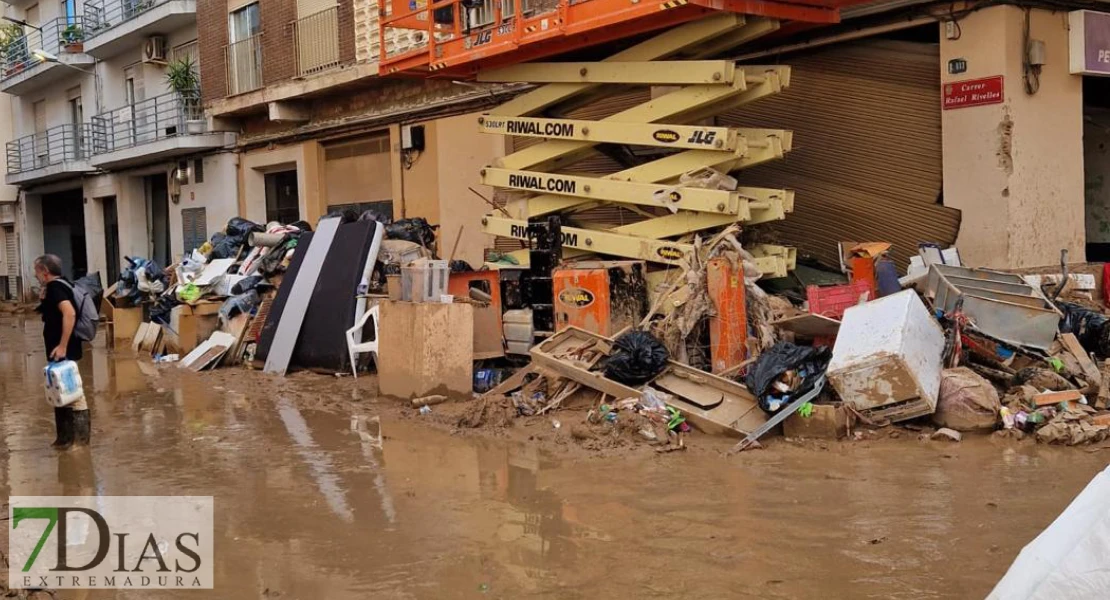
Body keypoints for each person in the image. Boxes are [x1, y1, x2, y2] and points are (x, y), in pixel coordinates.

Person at [34, 254, 91, 449]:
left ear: (45, 272)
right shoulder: (62, 285)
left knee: (73, 393)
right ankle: (64, 439)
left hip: (63, 349)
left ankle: (80, 442)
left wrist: (62, 346)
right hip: (59, 348)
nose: (36, 276)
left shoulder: (56, 288)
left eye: (37, 272)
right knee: (59, 391)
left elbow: (69, 313)